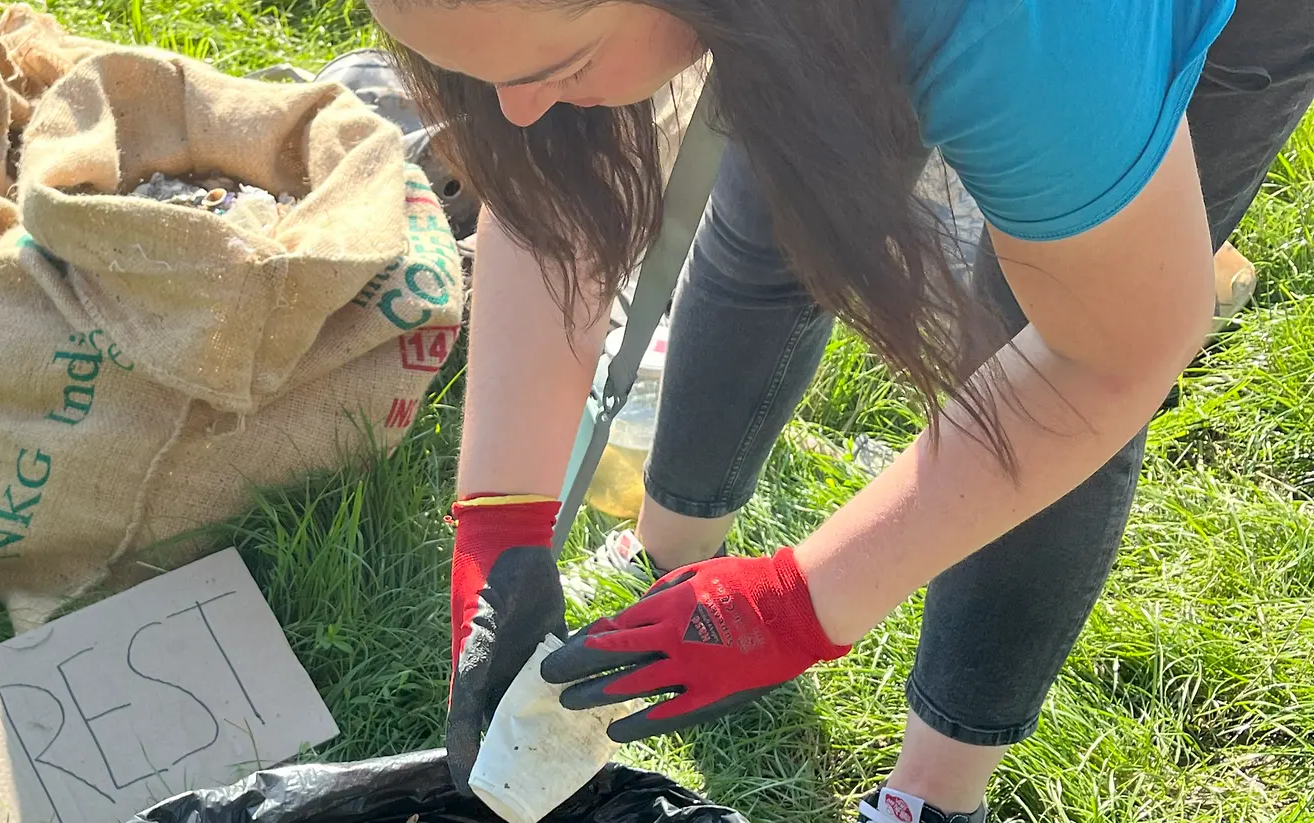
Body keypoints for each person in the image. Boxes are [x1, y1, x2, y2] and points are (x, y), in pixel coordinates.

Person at [365, 0, 1314, 820]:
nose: (514, 108)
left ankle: (938, 789)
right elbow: (549, 181)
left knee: (1036, 335)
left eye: (556, 69)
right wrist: (499, 528)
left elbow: (1111, 352)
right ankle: (670, 553)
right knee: (772, 220)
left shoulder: (1015, 33)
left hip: (1122, 38)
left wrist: (795, 606)